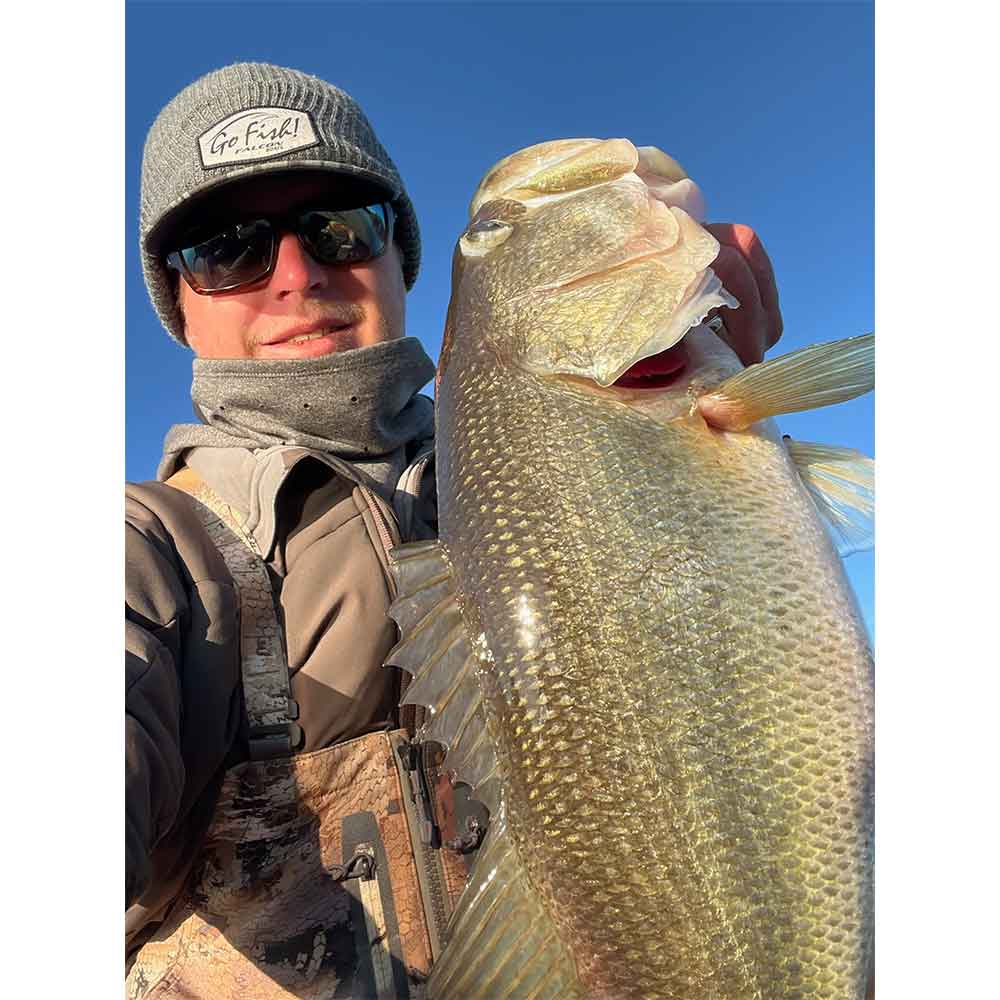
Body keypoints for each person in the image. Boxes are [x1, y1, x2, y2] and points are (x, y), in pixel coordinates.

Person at [126, 61, 785, 999]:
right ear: (178, 300)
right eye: (228, 249)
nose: (298, 275)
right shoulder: (143, 551)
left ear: (398, 256)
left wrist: (716, 436)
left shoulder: (532, 461)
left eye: (338, 227)